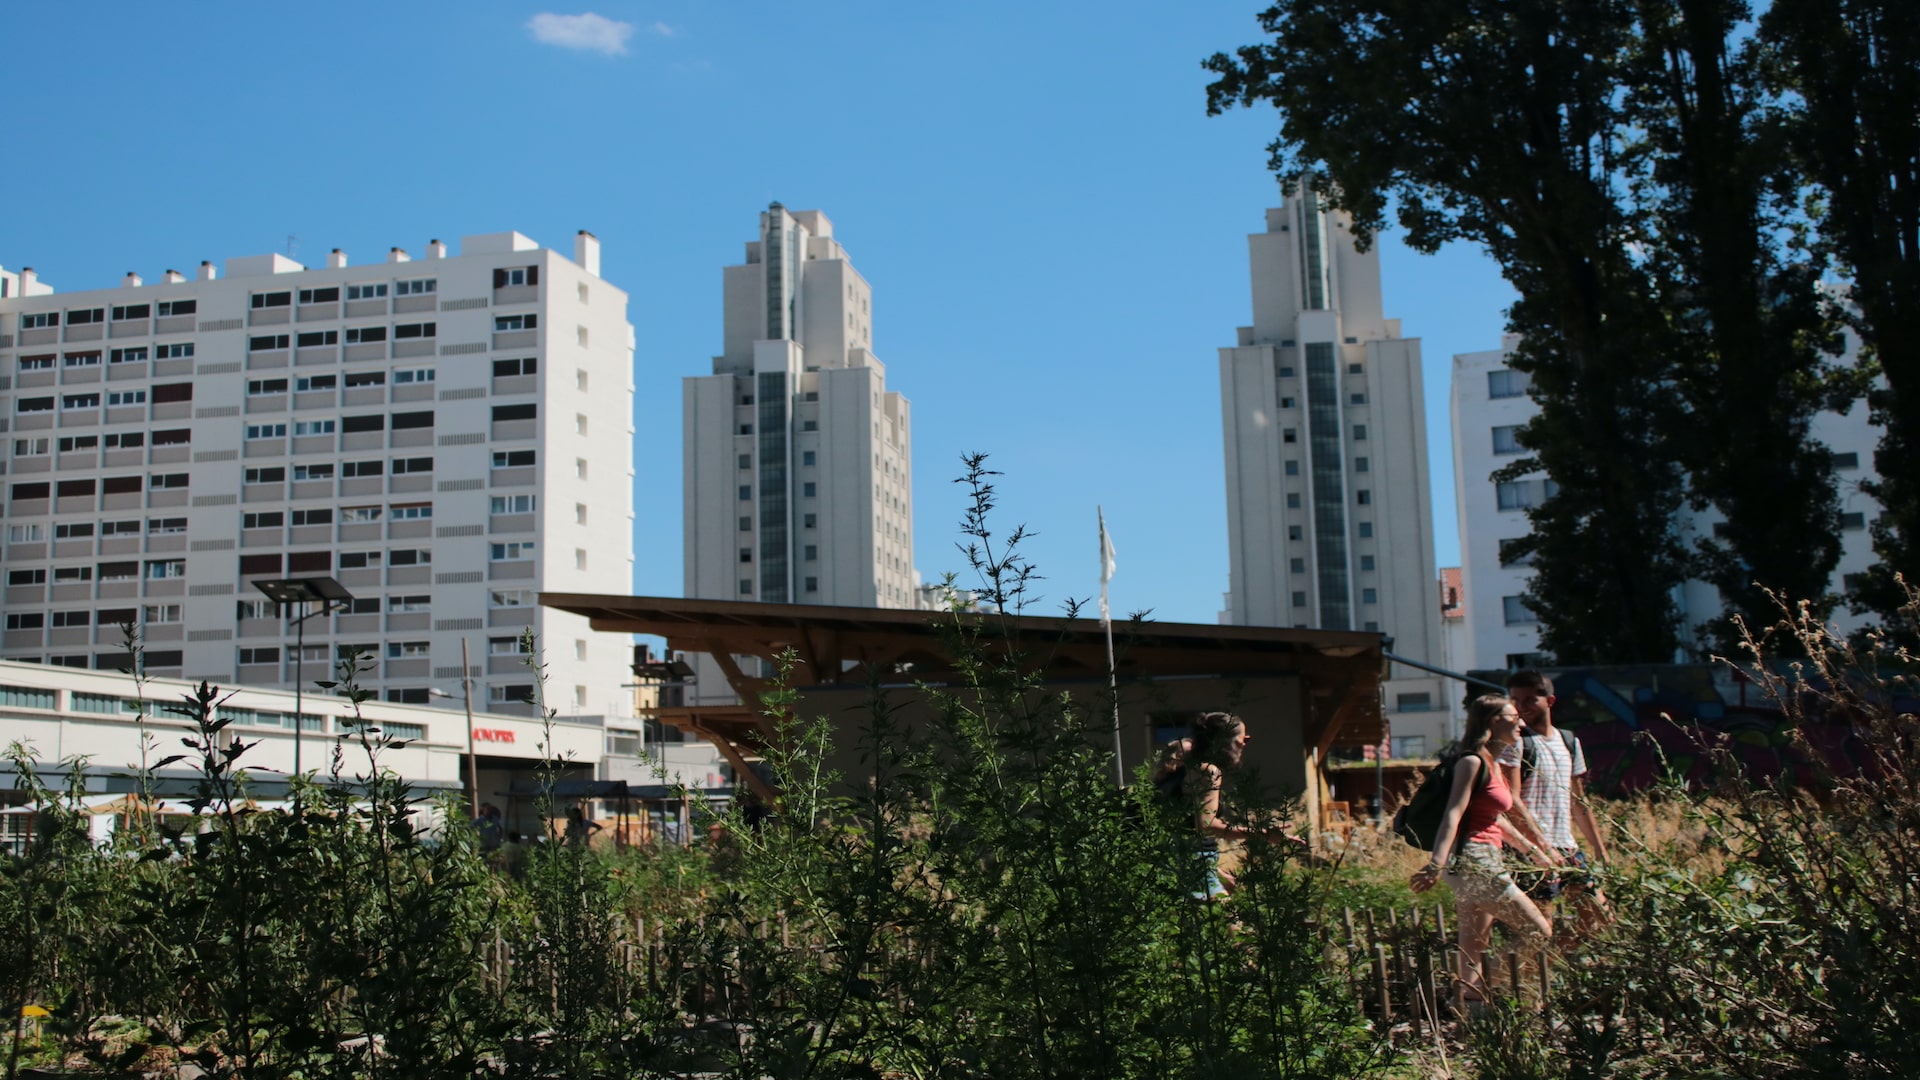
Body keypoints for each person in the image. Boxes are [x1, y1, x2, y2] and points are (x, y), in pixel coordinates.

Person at [1410, 694, 1556, 1002]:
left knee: (1474, 942)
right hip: (1472, 861)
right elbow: (1454, 812)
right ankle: (1484, 986)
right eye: (1514, 717)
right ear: (1493, 721)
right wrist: (1436, 863)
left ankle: (1471, 1015)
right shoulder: (1471, 761)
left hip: (1484, 857)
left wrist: (1534, 853)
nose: (1521, 723)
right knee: (1538, 932)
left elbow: (1497, 820)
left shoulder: (1493, 763)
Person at [1498, 670, 1611, 932]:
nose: (1520, 707)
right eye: (1514, 700)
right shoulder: (1515, 742)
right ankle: (1539, 968)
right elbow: (1511, 800)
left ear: (1549, 701)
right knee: (1540, 926)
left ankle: (1564, 959)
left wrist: (1598, 847)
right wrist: (1540, 845)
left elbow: (1578, 801)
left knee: (1599, 917)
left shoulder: (1569, 742)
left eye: (1528, 700)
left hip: (1566, 846)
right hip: (1529, 849)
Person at [1155, 711, 1295, 897]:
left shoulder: (1185, 770)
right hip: (1194, 863)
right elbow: (1205, 825)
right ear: (1223, 742)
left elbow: (1183, 826)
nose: (1244, 745)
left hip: (1185, 861)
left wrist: (1217, 873)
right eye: (1241, 740)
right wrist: (1263, 834)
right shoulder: (1208, 772)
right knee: (1232, 924)